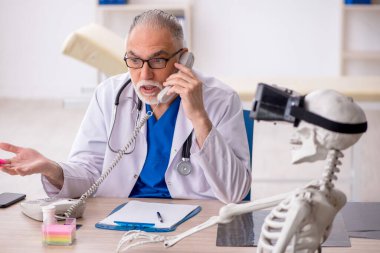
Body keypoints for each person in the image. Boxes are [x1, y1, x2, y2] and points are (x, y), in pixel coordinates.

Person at [0, 10, 251, 203]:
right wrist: (51, 168)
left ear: (183, 57)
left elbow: (236, 192)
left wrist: (199, 117)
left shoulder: (221, 100)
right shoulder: (109, 95)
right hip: (120, 217)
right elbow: (89, 172)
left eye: (158, 60)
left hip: (195, 221)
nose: (144, 74)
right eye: (134, 60)